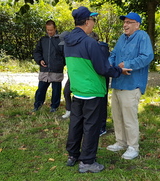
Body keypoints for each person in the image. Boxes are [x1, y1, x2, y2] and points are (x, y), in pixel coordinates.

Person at [63, 6, 132, 173]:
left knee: (76, 124)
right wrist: (118, 71)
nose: (93, 23)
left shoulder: (67, 41)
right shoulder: (90, 43)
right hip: (93, 91)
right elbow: (103, 69)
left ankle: (73, 155)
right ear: (87, 22)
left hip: (78, 90)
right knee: (91, 127)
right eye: (92, 20)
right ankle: (87, 161)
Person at [106, 12, 154, 160]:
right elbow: (113, 54)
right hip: (118, 82)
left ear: (137, 25)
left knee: (129, 118)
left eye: (129, 22)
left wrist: (127, 64)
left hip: (132, 85)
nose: (125, 25)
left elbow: (147, 56)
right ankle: (121, 142)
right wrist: (109, 64)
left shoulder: (142, 36)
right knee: (117, 115)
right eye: (125, 22)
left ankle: (133, 147)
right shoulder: (122, 38)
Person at [62, 32, 108, 137]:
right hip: (82, 85)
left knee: (97, 108)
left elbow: (103, 68)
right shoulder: (75, 47)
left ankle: (101, 127)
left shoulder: (100, 48)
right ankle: (78, 148)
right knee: (83, 116)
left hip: (95, 86)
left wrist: (116, 71)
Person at [32, 20, 65, 113]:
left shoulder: (61, 40)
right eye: (48, 30)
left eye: (51, 30)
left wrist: (61, 63)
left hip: (56, 69)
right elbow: (37, 52)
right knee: (41, 89)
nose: (49, 32)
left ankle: (54, 107)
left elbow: (65, 54)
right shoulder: (43, 40)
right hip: (44, 69)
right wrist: (39, 60)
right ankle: (37, 105)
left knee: (56, 90)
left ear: (55, 28)